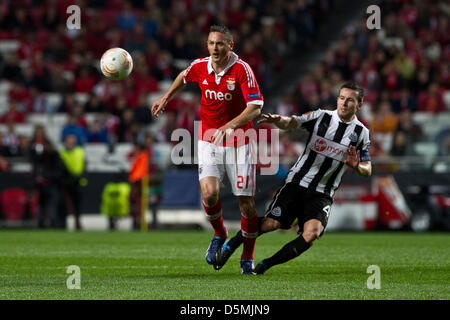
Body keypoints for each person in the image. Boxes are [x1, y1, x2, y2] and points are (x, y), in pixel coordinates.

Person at [214, 82, 372, 275]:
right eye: (341, 98)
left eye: (350, 100)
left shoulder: (361, 133)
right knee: (271, 224)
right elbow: (292, 122)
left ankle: (265, 265)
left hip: (323, 192)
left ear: (360, 104)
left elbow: (367, 168)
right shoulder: (321, 116)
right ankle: (233, 243)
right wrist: (278, 119)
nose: (344, 103)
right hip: (297, 183)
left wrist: (357, 166)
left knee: (311, 234)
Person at [151, 25, 264, 274]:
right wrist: (166, 97)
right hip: (209, 139)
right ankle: (219, 233)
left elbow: (256, 106)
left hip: (240, 142)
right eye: (211, 43)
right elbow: (184, 75)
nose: (215, 48)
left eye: (220, 44)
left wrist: (230, 125)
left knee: (246, 204)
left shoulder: (242, 69)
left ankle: (247, 257)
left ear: (230, 46)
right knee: (209, 193)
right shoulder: (200, 66)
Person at [59, 134, 86, 230]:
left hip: (78, 182)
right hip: (67, 182)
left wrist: (80, 176)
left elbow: (84, 164)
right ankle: (63, 224)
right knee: (65, 205)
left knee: (78, 205)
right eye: (68, 140)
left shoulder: (80, 151)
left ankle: (77, 223)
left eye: (72, 140)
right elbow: (62, 168)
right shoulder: (62, 153)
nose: (70, 142)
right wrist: (71, 176)